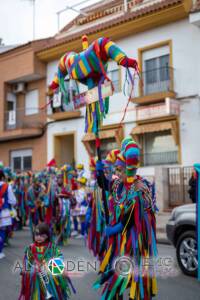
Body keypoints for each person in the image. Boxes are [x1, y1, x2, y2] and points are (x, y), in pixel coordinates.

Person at [93, 137, 158, 300]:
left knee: (133, 277)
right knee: (118, 278)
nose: (116, 174)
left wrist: (117, 227)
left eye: (119, 170)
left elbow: (134, 213)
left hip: (134, 241)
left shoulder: (140, 185)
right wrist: (99, 172)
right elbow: (104, 185)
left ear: (129, 168)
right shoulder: (118, 185)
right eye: (115, 170)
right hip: (119, 241)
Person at [18, 222, 76, 300]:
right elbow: (27, 259)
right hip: (35, 274)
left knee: (52, 288)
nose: (39, 237)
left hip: (49, 274)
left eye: (42, 236)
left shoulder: (52, 247)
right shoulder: (31, 248)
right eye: (37, 235)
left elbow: (59, 256)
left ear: (47, 236)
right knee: (36, 291)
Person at [0, 170, 16, 259]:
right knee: (2, 231)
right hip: (3, 212)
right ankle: (0, 251)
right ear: (2, 177)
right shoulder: (7, 186)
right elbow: (13, 200)